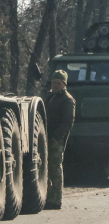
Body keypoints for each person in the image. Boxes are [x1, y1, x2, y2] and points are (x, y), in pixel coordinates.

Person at [44, 70, 76, 210]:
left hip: (56, 140)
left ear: (64, 84)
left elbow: (67, 122)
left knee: (55, 169)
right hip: (46, 137)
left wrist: (56, 138)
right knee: (47, 169)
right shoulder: (51, 97)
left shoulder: (67, 100)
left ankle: (56, 200)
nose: (55, 85)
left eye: (58, 83)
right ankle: (48, 197)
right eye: (53, 82)